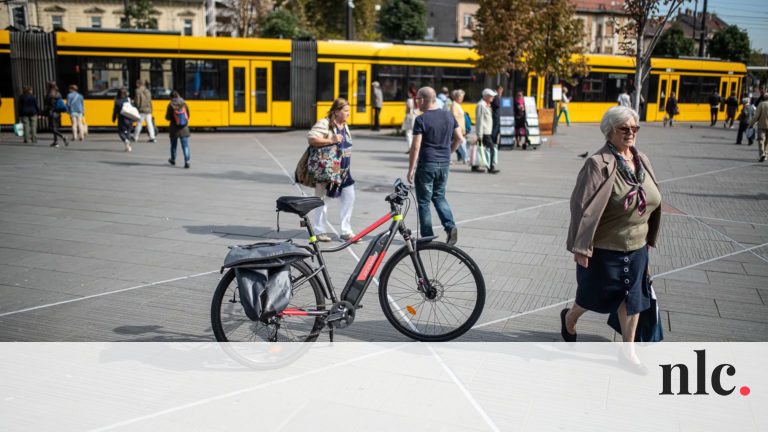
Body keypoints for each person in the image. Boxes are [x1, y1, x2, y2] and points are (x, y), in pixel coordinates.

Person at [563, 106, 662, 366]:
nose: (631, 133)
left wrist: (648, 238)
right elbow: (579, 207)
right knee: (591, 297)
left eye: (635, 128)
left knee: (633, 298)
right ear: (610, 132)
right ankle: (571, 318)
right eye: (624, 128)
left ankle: (628, 352)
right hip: (605, 247)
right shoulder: (597, 163)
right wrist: (580, 247)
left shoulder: (643, 160)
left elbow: (652, 199)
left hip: (637, 245)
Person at [407, 86, 462, 245]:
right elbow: (459, 138)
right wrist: (448, 152)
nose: (417, 102)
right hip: (444, 164)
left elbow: (416, 146)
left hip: (427, 164)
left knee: (424, 201)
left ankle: (426, 236)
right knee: (439, 196)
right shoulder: (449, 116)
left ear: (422, 100)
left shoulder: (421, 119)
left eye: (417, 99)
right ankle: (450, 227)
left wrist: (411, 169)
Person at [307, 98, 355, 242]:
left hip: (344, 171)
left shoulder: (344, 125)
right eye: (345, 110)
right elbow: (311, 138)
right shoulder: (325, 123)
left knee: (349, 197)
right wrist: (331, 140)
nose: (348, 113)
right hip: (329, 170)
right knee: (323, 200)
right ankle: (319, 231)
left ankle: (346, 231)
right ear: (336, 112)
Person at [165, 91, 191, 168]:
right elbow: (188, 115)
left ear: (171, 97)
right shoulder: (184, 104)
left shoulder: (170, 105)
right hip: (184, 128)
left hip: (174, 128)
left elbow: (168, 117)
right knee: (185, 146)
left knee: (173, 145)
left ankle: (173, 159)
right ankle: (187, 161)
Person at [474, 88, 497, 172]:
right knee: (490, 149)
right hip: (484, 132)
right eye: (491, 96)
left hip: (486, 131)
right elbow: (480, 120)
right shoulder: (481, 105)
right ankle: (491, 167)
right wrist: (480, 134)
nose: (493, 98)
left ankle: (475, 166)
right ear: (486, 96)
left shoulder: (486, 105)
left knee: (480, 149)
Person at [449, 89, 470, 164]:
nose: (462, 98)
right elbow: (454, 116)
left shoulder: (458, 105)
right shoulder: (454, 105)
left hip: (459, 128)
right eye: (460, 97)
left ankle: (465, 158)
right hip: (456, 128)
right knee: (461, 142)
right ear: (456, 97)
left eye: (462, 97)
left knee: (460, 143)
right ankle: (465, 158)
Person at [44, 81, 67, 147]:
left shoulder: (49, 94)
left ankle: (63, 137)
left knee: (53, 129)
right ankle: (55, 141)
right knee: (55, 128)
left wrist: (44, 114)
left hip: (52, 113)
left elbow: (47, 105)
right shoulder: (58, 93)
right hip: (58, 113)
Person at [749, 96, 768, 162]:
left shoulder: (761, 104)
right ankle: (766, 154)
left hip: (761, 125)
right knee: (767, 141)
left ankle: (762, 153)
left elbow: (756, 116)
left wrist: (751, 124)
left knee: (761, 140)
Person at [403, 87, 419, 153]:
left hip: (410, 118)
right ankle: (414, 147)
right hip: (416, 117)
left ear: (411, 94)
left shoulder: (409, 100)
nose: (408, 93)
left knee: (408, 133)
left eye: (409, 92)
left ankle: (410, 148)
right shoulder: (417, 100)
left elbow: (407, 110)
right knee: (414, 134)